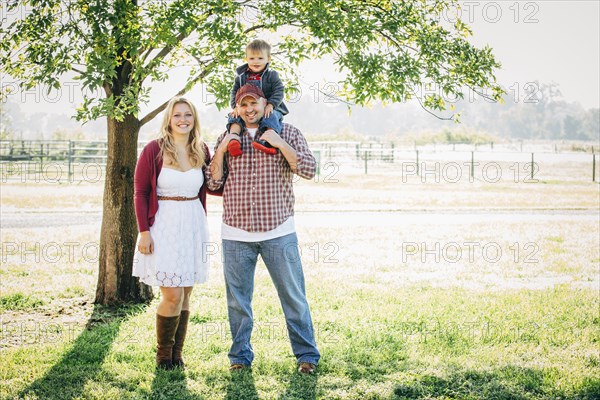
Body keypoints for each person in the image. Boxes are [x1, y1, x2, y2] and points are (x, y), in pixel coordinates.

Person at [207, 84, 320, 374]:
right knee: (238, 302)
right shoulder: (230, 136)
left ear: (265, 103)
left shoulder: (287, 131)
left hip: (278, 231)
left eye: (253, 103)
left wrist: (279, 142)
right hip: (236, 233)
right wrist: (220, 151)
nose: (249, 109)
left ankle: (306, 355)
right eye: (243, 105)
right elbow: (213, 184)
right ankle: (239, 358)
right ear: (237, 108)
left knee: (294, 297)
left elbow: (308, 169)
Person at [133, 96, 214, 370]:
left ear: (194, 119)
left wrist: (224, 151)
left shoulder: (201, 149)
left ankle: (177, 355)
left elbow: (214, 187)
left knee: (187, 293)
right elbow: (141, 192)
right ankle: (162, 356)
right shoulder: (153, 149)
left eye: (188, 115)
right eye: (177, 115)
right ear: (169, 118)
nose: (183, 120)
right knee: (172, 294)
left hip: (193, 223)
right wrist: (144, 231)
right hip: (163, 225)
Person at [226, 39, 289, 157]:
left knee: (271, 116)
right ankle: (234, 139)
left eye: (260, 58)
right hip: (248, 106)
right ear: (246, 59)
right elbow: (234, 92)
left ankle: (267, 141)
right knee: (233, 117)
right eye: (251, 58)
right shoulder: (241, 77)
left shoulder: (271, 75)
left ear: (268, 58)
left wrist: (271, 104)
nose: (256, 62)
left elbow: (279, 90)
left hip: (271, 107)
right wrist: (235, 106)